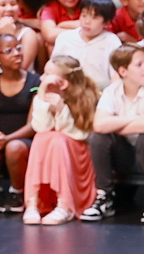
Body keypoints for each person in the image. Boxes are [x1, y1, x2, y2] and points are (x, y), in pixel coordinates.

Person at [87, 43, 144, 223]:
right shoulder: (112, 91)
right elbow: (99, 125)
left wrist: (115, 123)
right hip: (123, 153)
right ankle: (104, 196)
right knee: (98, 138)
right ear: (123, 71)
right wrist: (135, 119)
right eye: (139, 65)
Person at [22, 55, 98, 225]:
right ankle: (32, 203)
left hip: (75, 151)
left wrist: (62, 108)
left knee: (57, 139)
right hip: (52, 147)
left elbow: (81, 134)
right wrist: (41, 97)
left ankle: (65, 205)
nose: (41, 78)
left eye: (47, 74)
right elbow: (40, 127)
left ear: (63, 82)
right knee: (41, 137)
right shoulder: (41, 96)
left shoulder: (86, 96)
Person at [0, 33, 38, 213]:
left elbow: (33, 125)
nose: (17, 53)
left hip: (25, 139)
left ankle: (16, 192)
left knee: (14, 148)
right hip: (2, 138)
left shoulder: (35, 81)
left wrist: (7, 139)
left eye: (19, 48)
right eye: (9, 50)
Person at [50, 0, 120, 91]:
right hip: (67, 90)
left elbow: (116, 76)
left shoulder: (112, 41)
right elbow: (53, 68)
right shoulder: (65, 37)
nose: (87, 21)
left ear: (107, 23)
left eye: (94, 18)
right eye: (84, 15)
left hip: (99, 92)